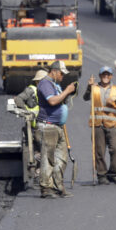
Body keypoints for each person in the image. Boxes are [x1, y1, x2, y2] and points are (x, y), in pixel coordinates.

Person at [36, 60, 76, 198]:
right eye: (61, 73)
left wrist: (68, 93)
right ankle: (46, 188)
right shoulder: (45, 83)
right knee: (48, 158)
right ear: (54, 71)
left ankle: (57, 186)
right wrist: (67, 91)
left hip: (57, 126)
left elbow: (60, 100)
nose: (62, 76)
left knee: (61, 158)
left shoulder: (54, 84)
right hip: (48, 126)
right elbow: (52, 101)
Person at [83, 66, 116, 185]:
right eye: (103, 74)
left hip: (112, 124)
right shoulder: (94, 87)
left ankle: (113, 174)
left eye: (108, 74)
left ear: (111, 76)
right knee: (99, 151)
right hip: (97, 124)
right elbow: (85, 98)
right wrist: (89, 87)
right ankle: (101, 175)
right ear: (100, 76)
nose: (105, 76)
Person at [14, 69, 48, 184]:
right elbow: (18, 99)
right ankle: (37, 174)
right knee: (38, 149)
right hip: (34, 127)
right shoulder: (31, 90)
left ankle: (41, 174)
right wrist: (26, 112)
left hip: (46, 126)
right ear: (38, 82)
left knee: (44, 150)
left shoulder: (48, 91)